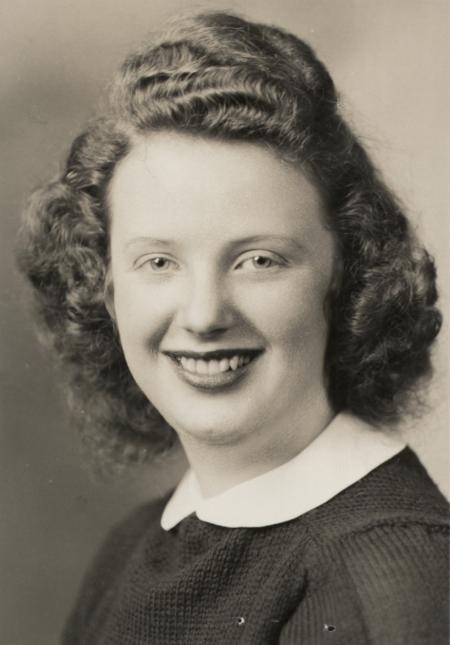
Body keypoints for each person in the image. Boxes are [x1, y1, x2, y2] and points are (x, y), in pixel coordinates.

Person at [17, 10, 448, 645]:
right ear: (103, 283)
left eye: (258, 261)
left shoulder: (393, 582)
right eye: (158, 262)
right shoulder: (133, 546)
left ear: (347, 275)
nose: (203, 315)